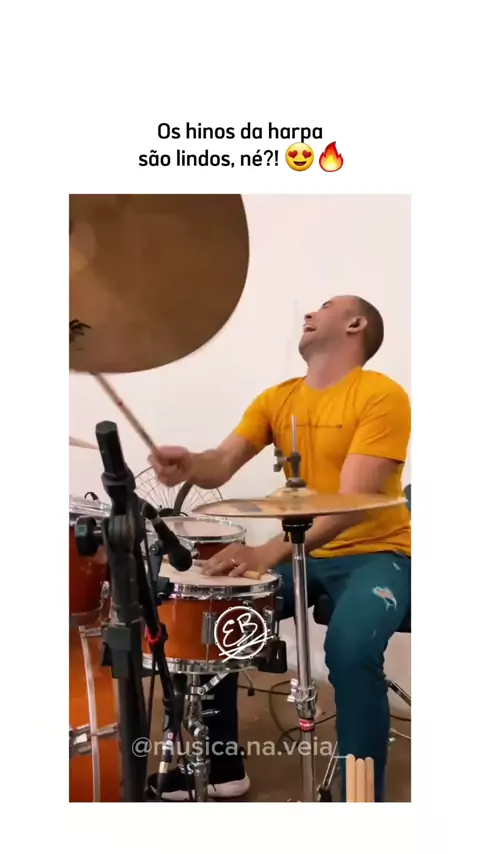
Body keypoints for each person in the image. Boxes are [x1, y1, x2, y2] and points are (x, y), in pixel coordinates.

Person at [148, 295, 411, 802]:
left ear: (355, 324)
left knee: (351, 649)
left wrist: (267, 552)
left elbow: (352, 503)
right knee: (219, 618)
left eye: (324, 307)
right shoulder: (277, 398)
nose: (309, 314)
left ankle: (363, 803)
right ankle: (222, 767)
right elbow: (221, 462)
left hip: (379, 553)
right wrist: (190, 464)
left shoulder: (382, 395)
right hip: (304, 552)